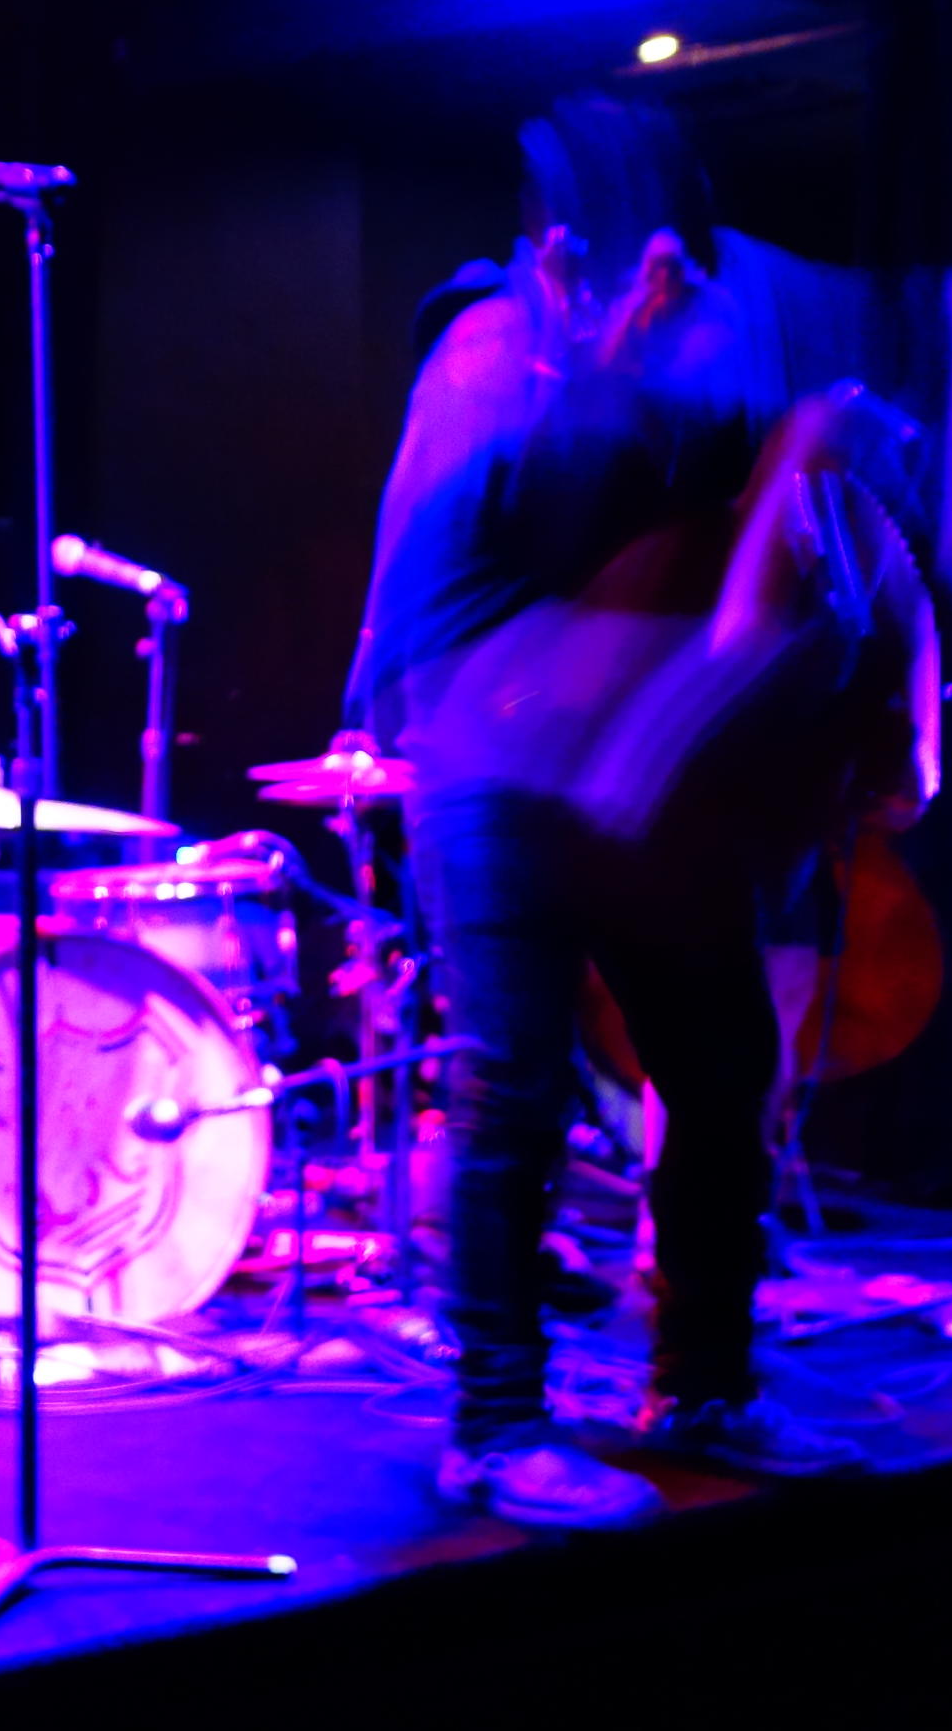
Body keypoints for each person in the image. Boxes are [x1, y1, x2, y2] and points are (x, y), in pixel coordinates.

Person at [346, 94, 869, 1530]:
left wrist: (812, 453)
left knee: (720, 1067)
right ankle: (492, 1425)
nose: (682, 295)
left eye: (687, 272)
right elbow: (456, 570)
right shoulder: (480, 353)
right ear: (566, 254)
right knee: (506, 1089)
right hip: (490, 772)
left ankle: (700, 1387)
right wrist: (611, 374)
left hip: (632, 782)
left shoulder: (677, 369)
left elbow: (746, 560)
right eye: (657, 266)